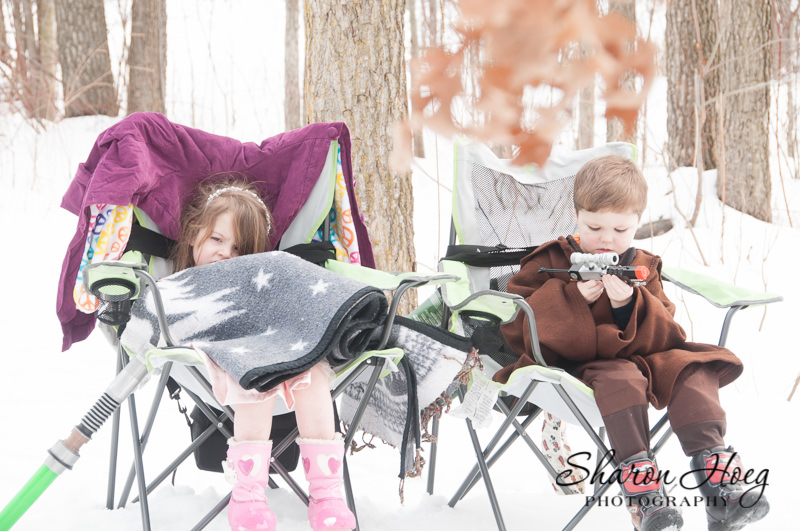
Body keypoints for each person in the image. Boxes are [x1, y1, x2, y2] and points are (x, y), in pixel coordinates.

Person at [493, 155, 769, 531]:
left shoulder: (641, 266)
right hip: (576, 369)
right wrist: (573, 299)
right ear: (576, 216)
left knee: (692, 366)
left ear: (637, 222)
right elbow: (518, 324)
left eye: (620, 229)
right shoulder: (549, 260)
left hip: (641, 358)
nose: (607, 239)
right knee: (621, 377)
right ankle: (644, 493)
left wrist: (630, 304)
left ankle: (718, 480)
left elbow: (668, 335)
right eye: (595, 227)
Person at [171, 178, 355, 531]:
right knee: (258, 378)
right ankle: (248, 496)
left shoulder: (258, 280)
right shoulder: (180, 284)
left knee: (315, 373)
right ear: (194, 232)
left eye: (238, 248)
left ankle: (327, 494)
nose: (225, 253)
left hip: (275, 351)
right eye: (216, 239)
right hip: (219, 365)